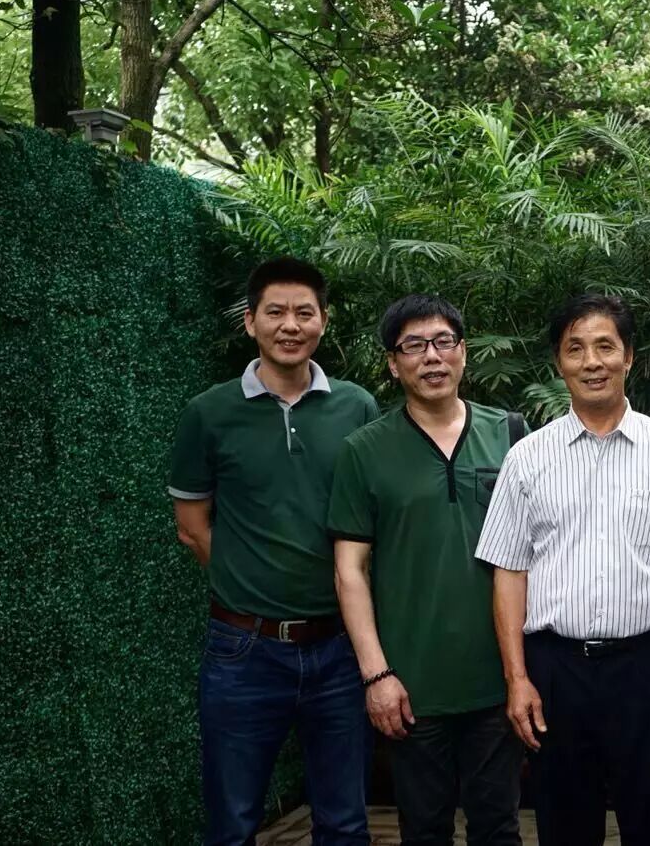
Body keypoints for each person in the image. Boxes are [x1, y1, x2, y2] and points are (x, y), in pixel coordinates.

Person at [474, 294, 650, 846]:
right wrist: (517, 679)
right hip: (555, 670)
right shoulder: (527, 458)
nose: (592, 362)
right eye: (576, 349)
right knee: (564, 823)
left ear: (629, 356)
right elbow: (509, 572)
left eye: (605, 346)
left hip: (647, 668)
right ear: (559, 362)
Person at [168, 256, 379, 846]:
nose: (291, 325)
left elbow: (370, 523)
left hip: (339, 648)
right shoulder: (209, 413)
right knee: (233, 823)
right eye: (276, 312)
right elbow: (192, 527)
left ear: (323, 321)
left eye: (304, 313)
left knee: (345, 822)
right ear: (251, 321)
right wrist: (251, 584)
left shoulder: (357, 407)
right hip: (243, 651)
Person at [328, 294, 525, 846]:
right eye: (413, 346)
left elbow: (541, 552)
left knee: (499, 828)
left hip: (499, 679)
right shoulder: (364, 451)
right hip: (410, 686)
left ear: (464, 352)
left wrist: (526, 673)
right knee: (423, 830)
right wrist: (377, 676)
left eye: (443, 342)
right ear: (393, 364)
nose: (431, 357)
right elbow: (349, 571)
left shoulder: (512, 435)